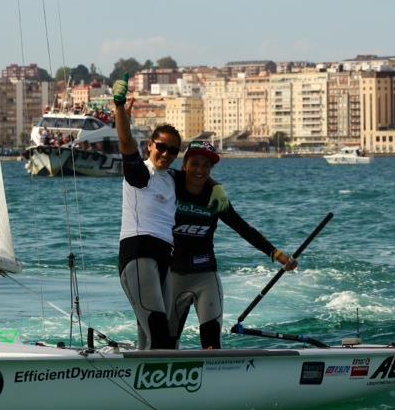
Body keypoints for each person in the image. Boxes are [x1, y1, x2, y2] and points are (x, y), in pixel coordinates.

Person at [169, 140, 298, 349]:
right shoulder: (170, 185)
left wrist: (277, 254)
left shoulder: (215, 198)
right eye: (194, 163)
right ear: (184, 165)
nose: (199, 170)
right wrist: (216, 183)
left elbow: (243, 228)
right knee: (166, 345)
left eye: (206, 165)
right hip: (172, 274)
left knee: (211, 345)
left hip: (204, 275)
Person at [112, 77, 181, 350]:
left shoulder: (173, 179)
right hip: (138, 254)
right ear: (150, 145)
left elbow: (199, 177)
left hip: (165, 258)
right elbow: (126, 141)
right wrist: (119, 109)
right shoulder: (140, 173)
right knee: (158, 334)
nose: (165, 153)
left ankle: (142, 383)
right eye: (161, 146)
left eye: (173, 150)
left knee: (158, 336)